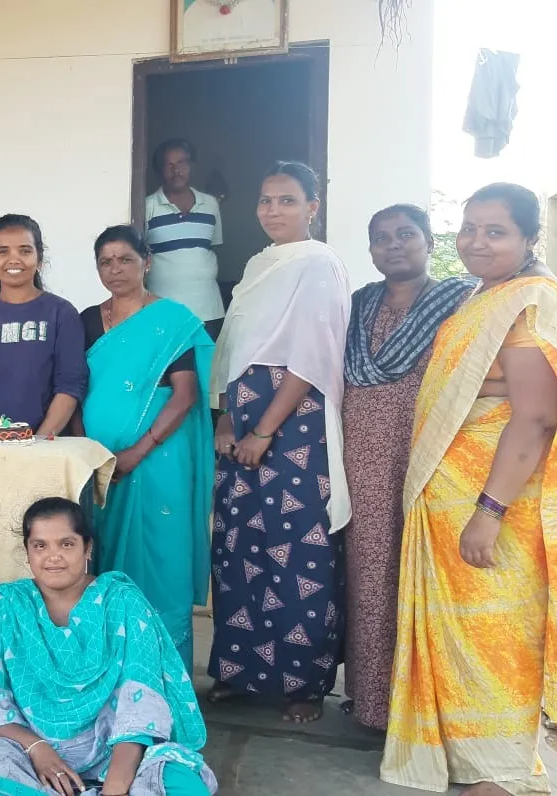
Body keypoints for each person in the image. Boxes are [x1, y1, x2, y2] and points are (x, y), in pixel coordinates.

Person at [381, 183, 557, 796]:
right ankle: (470, 761)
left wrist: (489, 511)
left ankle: (502, 773)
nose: (476, 242)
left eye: (496, 232)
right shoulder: (488, 297)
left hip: (496, 504)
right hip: (450, 499)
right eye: (469, 229)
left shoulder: (533, 304)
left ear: (529, 238)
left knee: (499, 635)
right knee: (465, 636)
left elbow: (534, 417)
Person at [0, 497, 215, 796]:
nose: (53, 556)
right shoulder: (11, 604)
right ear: (27, 551)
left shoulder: (122, 601)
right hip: (29, 753)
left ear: (88, 548)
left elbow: (140, 708)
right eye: (40, 546)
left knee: (182, 785)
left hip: (118, 753)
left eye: (67, 544)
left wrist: (116, 786)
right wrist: (38, 748)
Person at [207, 162, 350, 724]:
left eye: (287, 201)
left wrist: (266, 428)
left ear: (312, 206)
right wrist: (226, 419)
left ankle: (303, 683)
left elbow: (311, 356)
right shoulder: (259, 264)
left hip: (292, 419)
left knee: (299, 551)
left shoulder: (318, 263)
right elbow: (234, 346)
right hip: (243, 413)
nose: (272, 211)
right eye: (266, 200)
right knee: (238, 547)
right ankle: (242, 673)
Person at [339, 204, 472, 731]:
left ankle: (428, 707)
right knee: (370, 575)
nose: (393, 245)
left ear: (427, 241)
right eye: (380, 238)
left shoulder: (458, 302)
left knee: (429, 575)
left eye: (405, 234)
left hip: (431, 451)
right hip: (364, 457)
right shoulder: (358, 304)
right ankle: (374, 705)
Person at [79, 225, 213, 668]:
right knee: (102, 555)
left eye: (125, 259)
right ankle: (111, 667)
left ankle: (167, 672)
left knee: (162, 555)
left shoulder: (171, 321)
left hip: (160, 459)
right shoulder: (86, 320)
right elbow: (74, 389)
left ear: (147, 261)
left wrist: (139, 449)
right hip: (98, 462)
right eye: (105, 261)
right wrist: (88, 449)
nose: (115, 269)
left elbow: (186, 393)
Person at [0, 214, 86, 437]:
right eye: (3, 252)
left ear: (39, 259)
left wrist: (38, 441)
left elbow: (70, 385)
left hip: (47, 448)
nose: (14, 259)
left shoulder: (61, 314)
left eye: (25, 251)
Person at [143, 139, 226, 339]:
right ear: (160, 170)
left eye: (182, 163)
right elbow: (141, 256)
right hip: (163, 308)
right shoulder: (147, 206)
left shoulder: (210, 204)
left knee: (207, 368)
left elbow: (213, 247)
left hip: (208, 310)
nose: (176, 170)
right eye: (169, 165)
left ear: (191, 166)